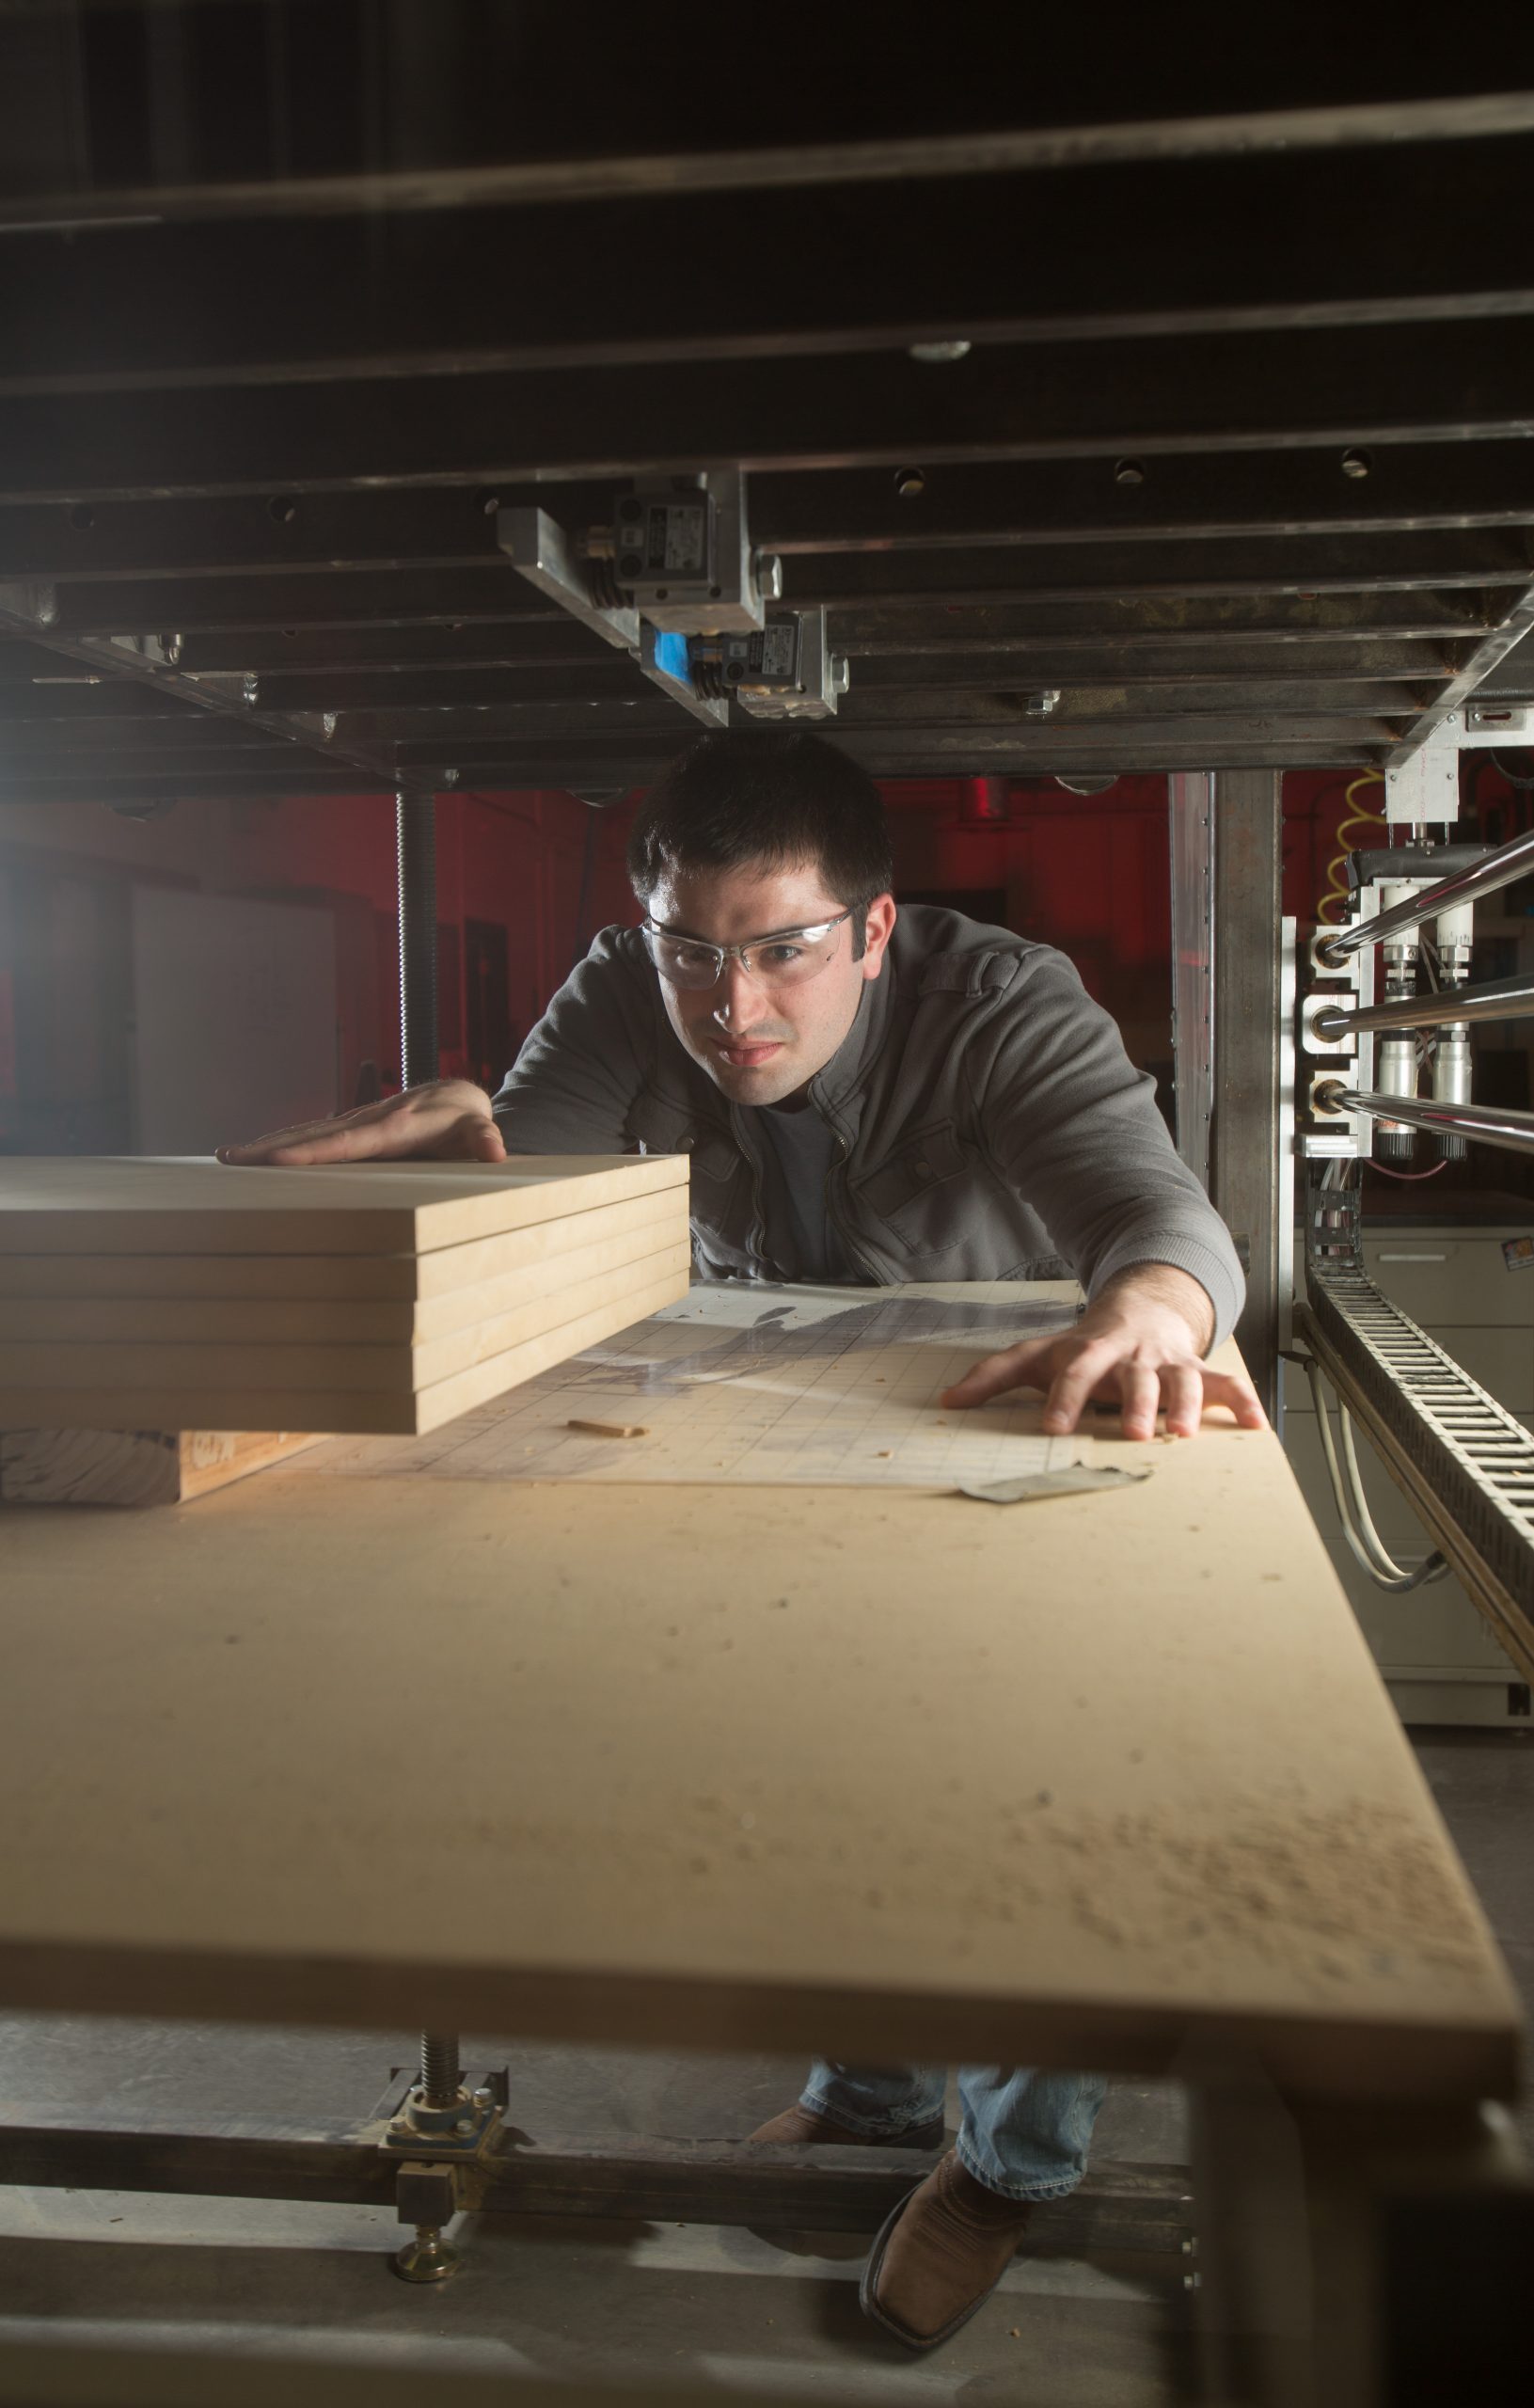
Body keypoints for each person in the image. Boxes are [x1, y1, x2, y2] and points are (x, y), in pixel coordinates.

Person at [224, 728, 1265, 2352]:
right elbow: (531, 1192)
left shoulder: (1000, 1002)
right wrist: (443, 1182)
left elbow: (1161, 1217)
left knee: (1023, 1782)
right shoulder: (624, 989)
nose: (735, 1012)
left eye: (783, 953)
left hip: (989, 1420)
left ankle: (1005, 2168)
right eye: (692, 956)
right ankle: (864, 2094)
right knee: (830, 1757)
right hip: (770, 1426)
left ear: (873, 930)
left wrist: (1149, 1308)